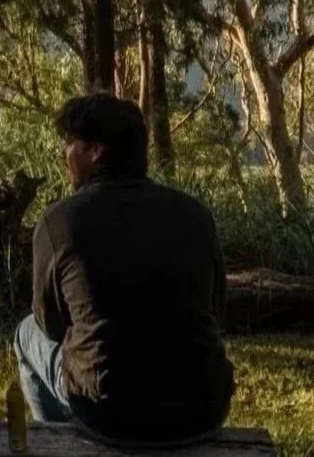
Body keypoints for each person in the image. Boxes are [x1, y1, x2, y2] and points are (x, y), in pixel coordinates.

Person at [17, 93, 235, 447]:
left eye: (71, 142)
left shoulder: (60, 221)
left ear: (96, 151)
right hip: (203, 408)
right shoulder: (194, 214)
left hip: (109, 415)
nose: (65, 153)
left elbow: (51, 325)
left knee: (26, 334)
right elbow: (215, 309)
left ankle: (62, 442)